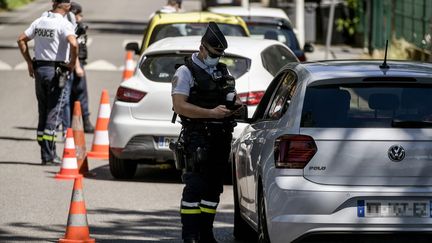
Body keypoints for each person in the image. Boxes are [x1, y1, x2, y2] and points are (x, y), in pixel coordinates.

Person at [171, 22, 243, 243]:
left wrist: (237, 105)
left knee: (213, 189)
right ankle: (191, 235)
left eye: (220, 54)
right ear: (202, 48)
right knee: (195, 187)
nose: (216, 58)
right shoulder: (185, 72)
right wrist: (211, 113)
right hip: (197, 137)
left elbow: (233, 96)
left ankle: (206, 233)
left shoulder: (222, 70)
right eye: (213, 53)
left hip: (221, 137)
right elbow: (179, 105)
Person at [17, 0, 78, 165]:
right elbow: (74, 43)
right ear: (63, 5)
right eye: (68, 2)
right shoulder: (63, 24)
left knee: (43, 111)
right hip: (55, 71)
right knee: (54, 112)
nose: (70, 4)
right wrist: (72, 63)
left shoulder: (40, 21)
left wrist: (29, 62)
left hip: (40, 70)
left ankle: (44, 153)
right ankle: (49, 155)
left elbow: (21, 39)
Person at [69, 2, 94, 133]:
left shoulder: (79, 27)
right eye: (79, 14)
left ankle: (78, 121)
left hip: (79, 62)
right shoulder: (72, 28)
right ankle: (84, 122)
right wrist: (78, 66)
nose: (81, 17)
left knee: (77, 93)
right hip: (74, 64)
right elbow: (74, 49)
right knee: (79, 92)